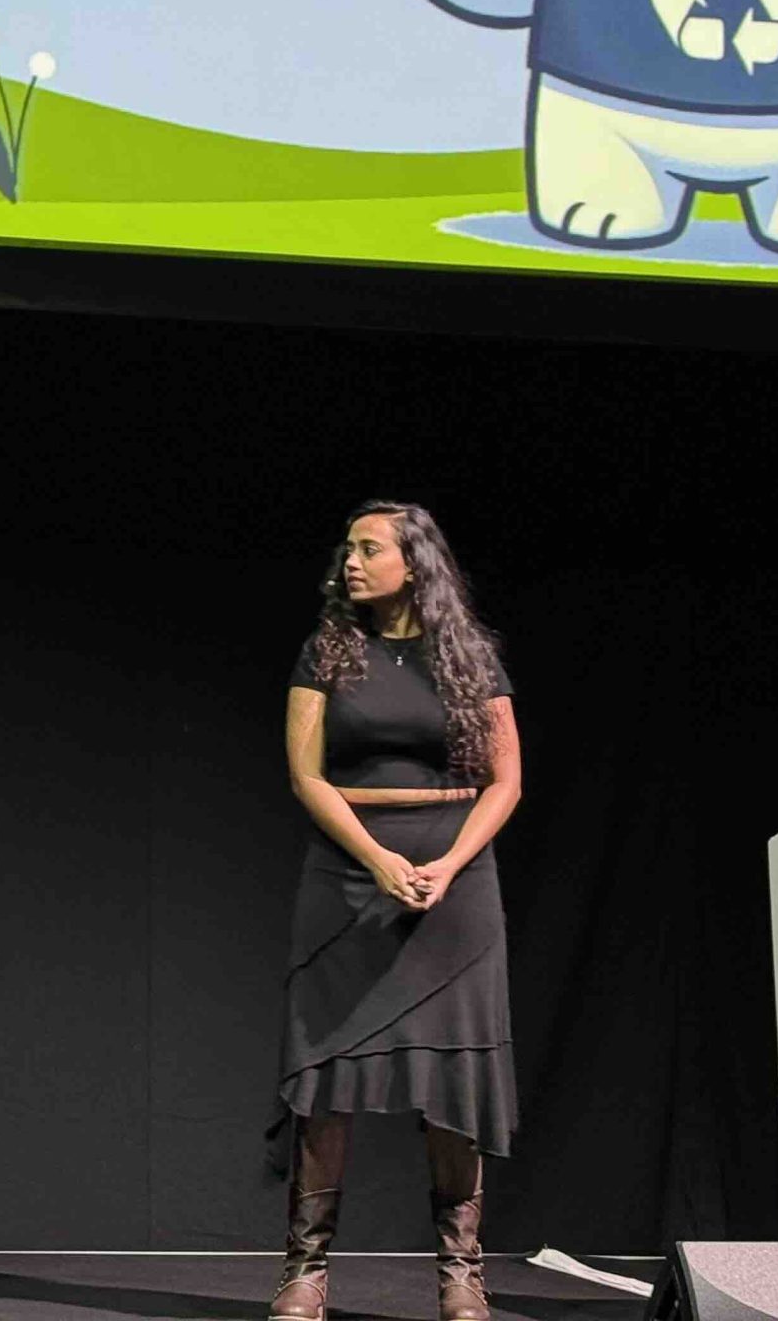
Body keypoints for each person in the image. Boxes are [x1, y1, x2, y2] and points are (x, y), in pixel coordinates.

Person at [269, 501, 524, 1321]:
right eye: (347, 546)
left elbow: (507, 780)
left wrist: (448, 863)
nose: (349, 560)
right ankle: (306, 1272)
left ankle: (461, 1274)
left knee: (454, 1074)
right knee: (328, 1074)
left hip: (455, 877)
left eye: (368, 547)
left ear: (413, 562)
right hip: (349, 873)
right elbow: (307, 775)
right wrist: (377, 858)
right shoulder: (328, 650)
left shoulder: (469, 656)